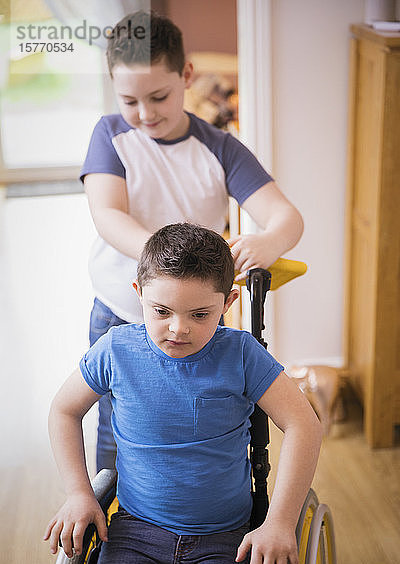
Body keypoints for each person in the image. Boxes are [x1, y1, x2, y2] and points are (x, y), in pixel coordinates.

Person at [44, 223, 321, 564]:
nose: (178, 328)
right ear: (138, 294)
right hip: (134, 535)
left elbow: (304, 424)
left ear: (228, 304)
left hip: (222, 544)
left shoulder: (240, 353)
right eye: (161, 311)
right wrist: (79, 492)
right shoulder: (116, 350)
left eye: (200, 314)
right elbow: (63, 409)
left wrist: (280, 522)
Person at [81, 10, 304, 472]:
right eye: (129, 100)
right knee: (115, 419)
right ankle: (106, 519)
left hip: (193, 318)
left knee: (189, 416)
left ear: (186, 75)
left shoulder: (220, 148)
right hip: (122, 308)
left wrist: (270, 241)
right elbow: (108, 215)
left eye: (159, 96)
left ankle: (182, 505)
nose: (145, 114)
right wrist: (165, 260)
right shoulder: (111, 135)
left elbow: (286, 217)